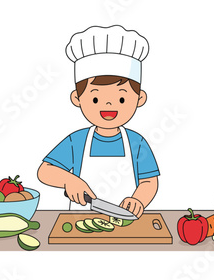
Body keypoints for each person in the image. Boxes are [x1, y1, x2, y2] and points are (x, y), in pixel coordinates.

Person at [37, 25, 159, 218]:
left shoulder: (137, 142)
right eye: (95, 99)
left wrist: (138, 200)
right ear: (77, 99)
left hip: (125, 223)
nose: (109, 104)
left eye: (121, 99)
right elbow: (45, 171)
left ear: (139, 99)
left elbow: (149, 181)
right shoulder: (77, 141)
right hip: (79, 222)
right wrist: (69, 180)